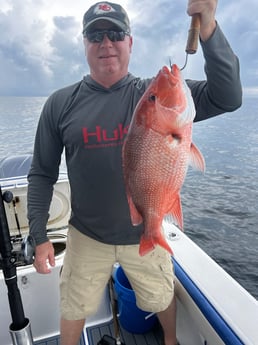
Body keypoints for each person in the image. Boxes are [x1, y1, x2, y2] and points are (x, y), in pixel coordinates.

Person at [27, 1, 242, 345]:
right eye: (96, 35)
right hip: (86, 235)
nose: (106, 42)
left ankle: (170, 341)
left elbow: (228, 97)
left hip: (146, 226)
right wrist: (39, 236)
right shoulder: (60, 103)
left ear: (130, 42)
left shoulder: (152, 94)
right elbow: (41, 174)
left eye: (116, 33)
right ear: (84, 43)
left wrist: (209, 31)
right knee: (73, 304)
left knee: (160, 296)